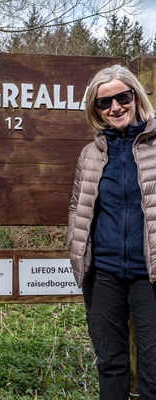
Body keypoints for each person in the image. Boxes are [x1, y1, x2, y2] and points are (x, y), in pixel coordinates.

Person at [67, 64, 156, 399]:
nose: (115, 107)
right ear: (96, 109)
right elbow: (79, 207)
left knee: (154, 367)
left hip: (150, 275)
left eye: (123, 97)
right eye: (105, 102)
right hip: (103, 274)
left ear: (136, 97)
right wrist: (77, 254)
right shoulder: (91, 154)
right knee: (111, 363)